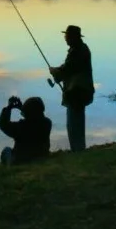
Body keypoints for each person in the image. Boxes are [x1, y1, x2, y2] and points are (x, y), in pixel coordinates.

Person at [49, 24, 94, 152]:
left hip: (77, 93)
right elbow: (68, 68)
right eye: (65, 36)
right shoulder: (80, 49)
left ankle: (78, 151)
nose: (65, 38)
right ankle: (79, 150)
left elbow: (67, 69)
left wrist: (54, 71)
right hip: (79, 92)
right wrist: (57, 71)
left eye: (67, 36)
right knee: (77, 123)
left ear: (73, 37)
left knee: (74, 124)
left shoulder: (78, 51)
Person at [0, 95, 52, 165]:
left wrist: (9, 107)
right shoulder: (47, 123)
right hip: (41, 157)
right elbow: (34, 117)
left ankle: (8, 166)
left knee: (6, 150)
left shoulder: (21, 127)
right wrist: (22, 108)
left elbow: (3, 125)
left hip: (21, 160)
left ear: (26, 112)